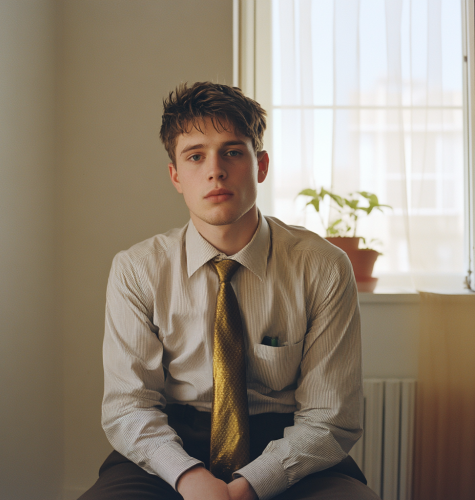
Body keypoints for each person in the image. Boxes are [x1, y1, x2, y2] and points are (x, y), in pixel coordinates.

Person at [79, 82, 380, 500]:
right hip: (173, 442)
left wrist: (252, 485)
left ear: (261, 165)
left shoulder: (323, 266)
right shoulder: (137, 270)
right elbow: (129, 407)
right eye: (196, 156)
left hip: (291, 443)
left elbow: (330, 416)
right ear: (176, 176)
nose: (215, 170)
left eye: (233, 152)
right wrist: (188, 477)